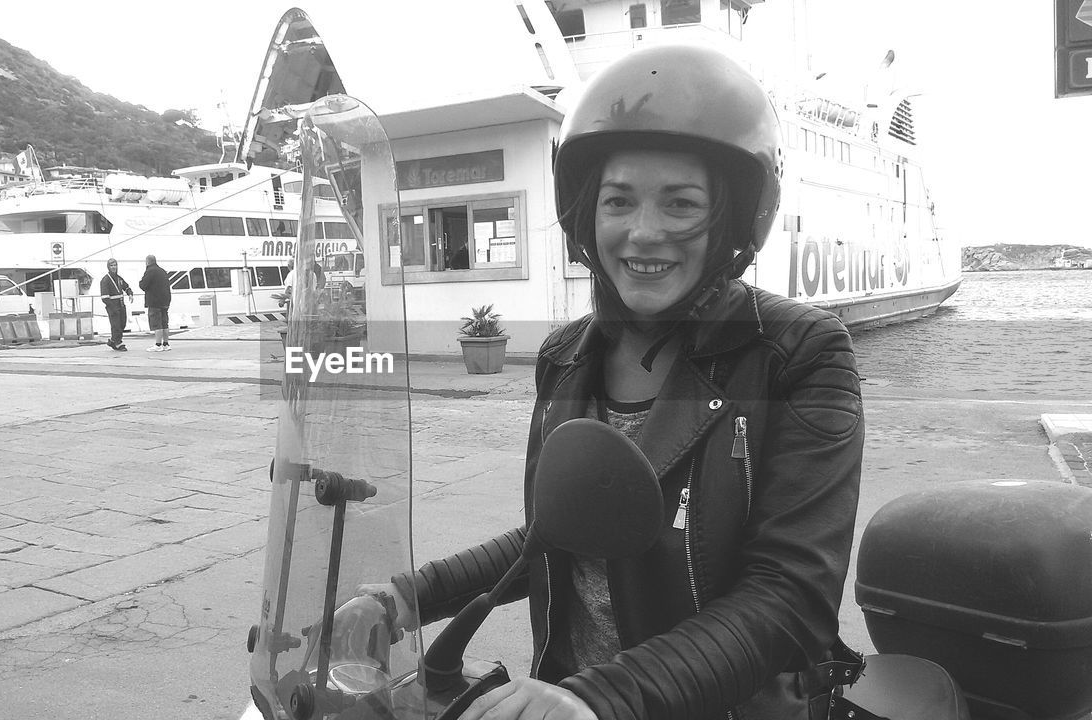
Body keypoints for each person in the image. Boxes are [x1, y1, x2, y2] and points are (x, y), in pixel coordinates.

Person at [365, 45, 863, 719]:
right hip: (561, 697)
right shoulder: (567, 356)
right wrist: (405, 596)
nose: (643, 232)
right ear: (585, 214)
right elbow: (555, 530)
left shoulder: (798, 354)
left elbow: (789, 593)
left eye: (681, 203)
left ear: (733, 218)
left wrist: (598, 700)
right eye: (618, 200)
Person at [139, 254, 172, 352]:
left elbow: (143, 285)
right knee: (164, 323)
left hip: (155, 302)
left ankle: (158, 345)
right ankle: (166, 344)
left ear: (147, 262)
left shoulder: (150, 271)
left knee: (157, 323)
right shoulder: (162, 271)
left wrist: (140, 282)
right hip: (165, 301)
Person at [100, 258, 133, 351]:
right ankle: (118, 343)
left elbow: (126, 287)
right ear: (108, 267)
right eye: (111, 265)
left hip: (121, 305)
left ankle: (113, 340)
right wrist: (112, 307)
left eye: (115, 265)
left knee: (122, 323)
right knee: (116, 325)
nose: (114, 267)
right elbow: (104, 297)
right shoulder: (105, 280)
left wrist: (130, 293)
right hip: (112, 306)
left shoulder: (119, 278)